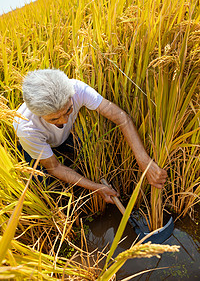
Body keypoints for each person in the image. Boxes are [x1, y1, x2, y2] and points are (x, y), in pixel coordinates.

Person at [13, 69, 167, 204]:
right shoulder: (26, 127)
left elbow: (121, 117)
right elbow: (54, 167)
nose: (64, 121)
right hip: (36, 146)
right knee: (44, 186)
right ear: (37, 113)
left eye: (68, 111)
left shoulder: (76, 89)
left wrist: (145, 162)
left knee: (87, 154)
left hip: (67, 136)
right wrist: (96, 188)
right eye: (54, 119)